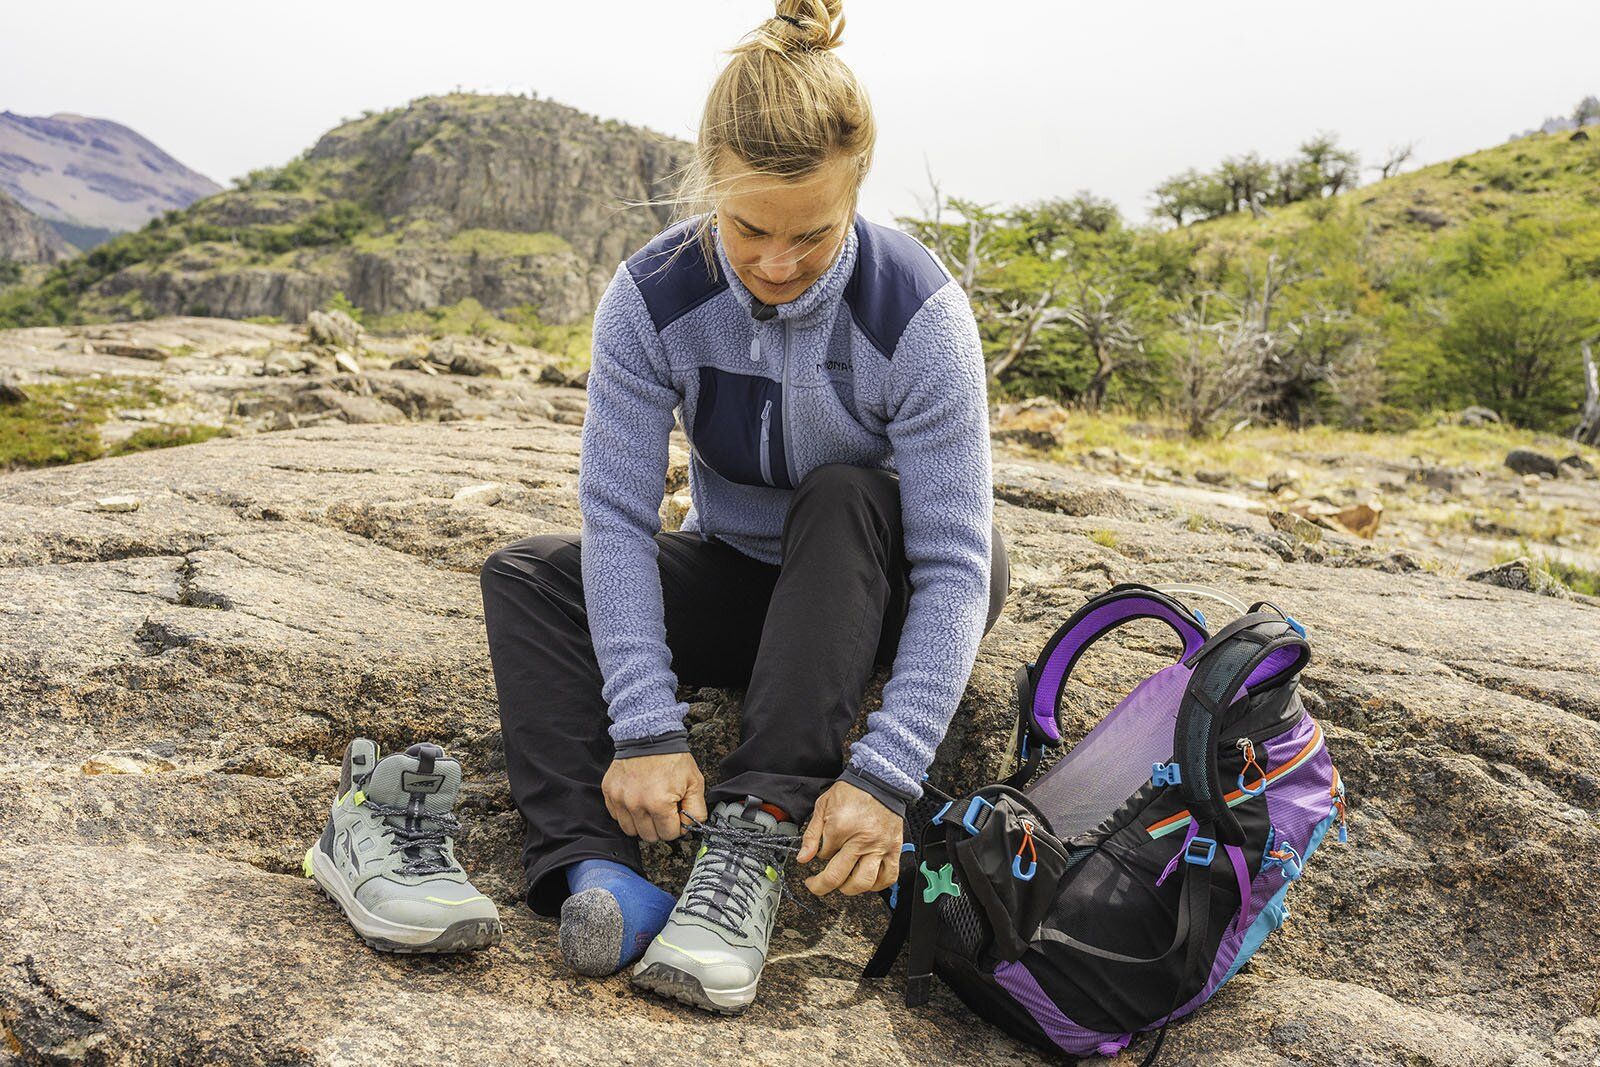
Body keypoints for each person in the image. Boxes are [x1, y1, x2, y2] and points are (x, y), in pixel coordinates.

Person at [479, 0, 1009, 1014]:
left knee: (843, 491)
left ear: (858, 189)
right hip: (745, 580)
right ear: (707, 186)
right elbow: (618, 516)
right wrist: (644, 728)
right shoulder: (653, 296)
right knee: (527, 576)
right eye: (748, 228)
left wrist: (887, 775)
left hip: (882, 584)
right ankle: (602, 874)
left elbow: (953, 560)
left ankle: (752, 837)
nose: (774, 264)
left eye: (812, 234)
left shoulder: (918, 313)